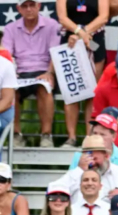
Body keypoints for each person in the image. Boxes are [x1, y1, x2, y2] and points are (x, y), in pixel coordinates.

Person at [3, 0, 60, 148]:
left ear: (39, 6)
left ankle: (46, 135)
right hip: (19, 71)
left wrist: (49, 72)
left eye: (32, 5)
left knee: (45, 87)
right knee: (9, 89)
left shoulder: (52, 25)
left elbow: (55, 53)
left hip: (43, 70)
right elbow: (6, 55)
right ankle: (16, 135)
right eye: (24, 6)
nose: (29, 9)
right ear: (18, 9)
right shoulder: (10, 28)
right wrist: (11, 73)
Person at [51, 136, 118, 213]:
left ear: (107, 156)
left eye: (95, 158)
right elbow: (52, 190)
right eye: (88, 158)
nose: (92, 163)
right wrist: (79, 171)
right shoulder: (76, 174)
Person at [55, 0, 108, 147]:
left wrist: (84, 33)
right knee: (71, 92)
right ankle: (71, 137)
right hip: (70, 42)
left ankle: (89, 137)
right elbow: (62, 18)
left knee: (93, 92)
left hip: (94, 41)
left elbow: (104, 16)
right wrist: (79, 33)